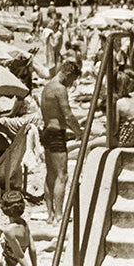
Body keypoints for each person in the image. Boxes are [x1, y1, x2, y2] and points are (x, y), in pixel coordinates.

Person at [41, 60, 82, 224]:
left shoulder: (47, 87)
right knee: (62, 176)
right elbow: (68, 115)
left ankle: (50, 215)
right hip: (57, 133)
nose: (72, 83)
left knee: (50, 175)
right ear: (68, 73)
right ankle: (59, 215)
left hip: (46, 131)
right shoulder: (60, 88)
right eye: (72, 79)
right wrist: (80, 132)